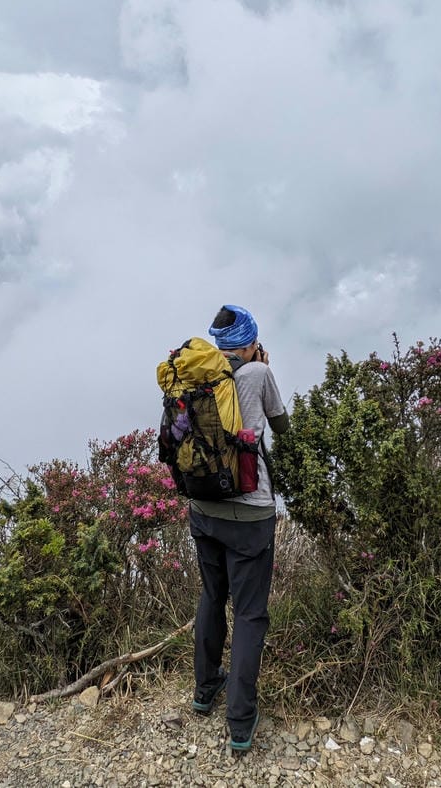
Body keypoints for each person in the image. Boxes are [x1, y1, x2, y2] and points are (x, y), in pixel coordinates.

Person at [188, 304, 290, 753]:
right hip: (249, 514)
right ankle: (241, 721)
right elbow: (282, 428)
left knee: (212, 596)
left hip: (202, 507)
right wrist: (263, 369)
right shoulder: (257, 374)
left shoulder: (198, 376)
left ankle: (205, 688)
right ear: (250, 343)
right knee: (249, 613)